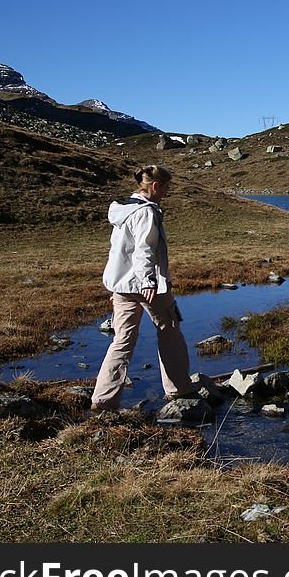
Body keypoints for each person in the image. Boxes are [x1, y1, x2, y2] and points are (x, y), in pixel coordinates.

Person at [91, 164, 196, 411]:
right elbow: (143, 250)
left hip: (121, 285)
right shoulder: (147, 212)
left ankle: (103, 399)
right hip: (148, 286)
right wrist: (148, 281)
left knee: (122, 340)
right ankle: (178, 388)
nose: (166, 194)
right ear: (156, 186)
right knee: (170, 330)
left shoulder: (124, 209)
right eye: (165, 188)